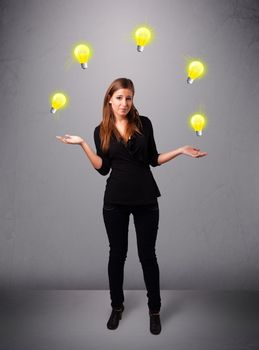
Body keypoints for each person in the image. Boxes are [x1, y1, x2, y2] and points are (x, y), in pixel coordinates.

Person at [56, 77, 207, 335]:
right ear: (109, 100)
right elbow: (103, 169)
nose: (124, 103)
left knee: (148, 256)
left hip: (146, 199)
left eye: (128, 98)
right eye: (119, 98)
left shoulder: (143, 123)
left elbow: (153, 159)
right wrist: (82, 144)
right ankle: (117, 307)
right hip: (115, 201)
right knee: (117, 255)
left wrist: (181, 150)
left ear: (132, 99)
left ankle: (155, 311)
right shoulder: (100, 130)